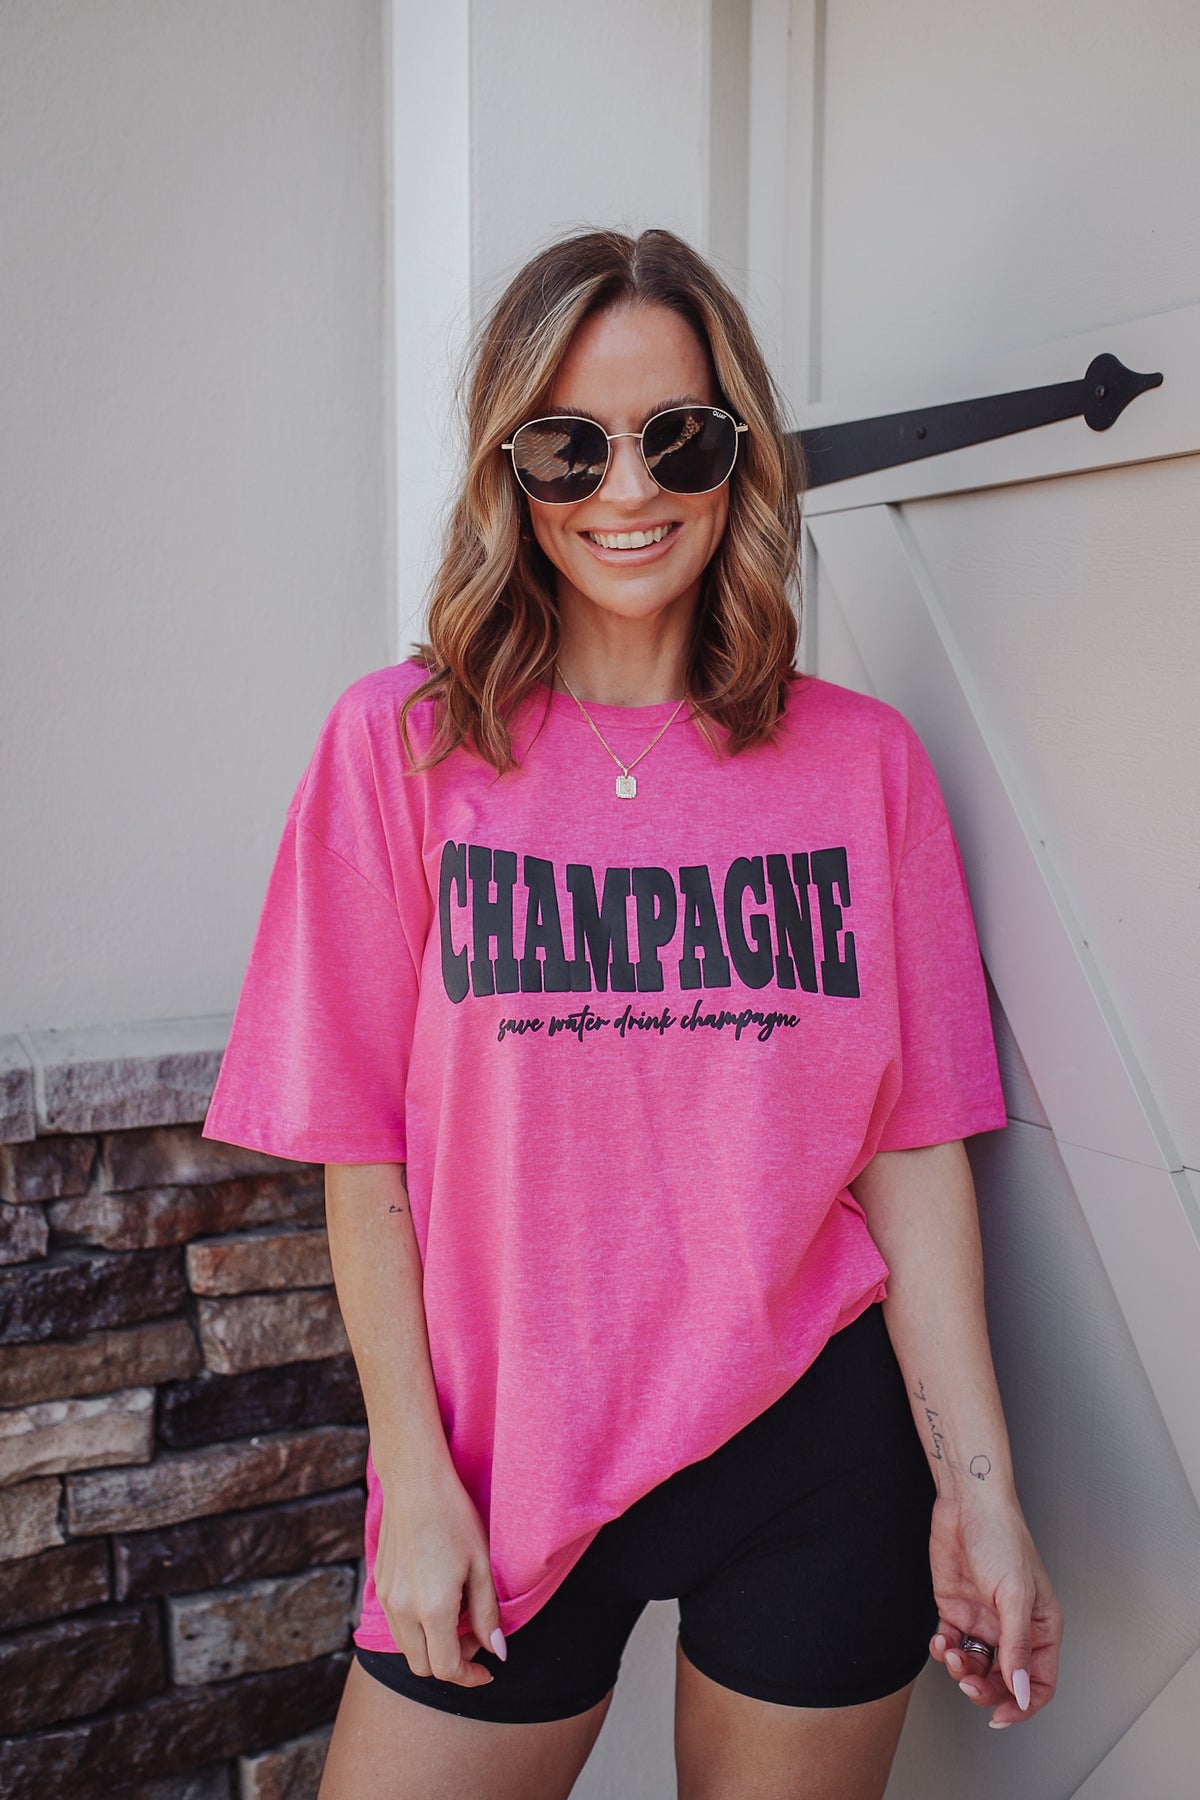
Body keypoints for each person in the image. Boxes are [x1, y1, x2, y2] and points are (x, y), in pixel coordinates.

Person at [202, 227, 1063, 1800]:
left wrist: (981, 1493)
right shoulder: (398, 749)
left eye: (678, 437)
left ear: (737, 458)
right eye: (570, 445)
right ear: (508, 467)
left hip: (818, 1452)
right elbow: (362, 1158)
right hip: (506, 1465)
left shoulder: (864, 765)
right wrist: (413, 1483)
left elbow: (916, 1155)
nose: (627, 488)